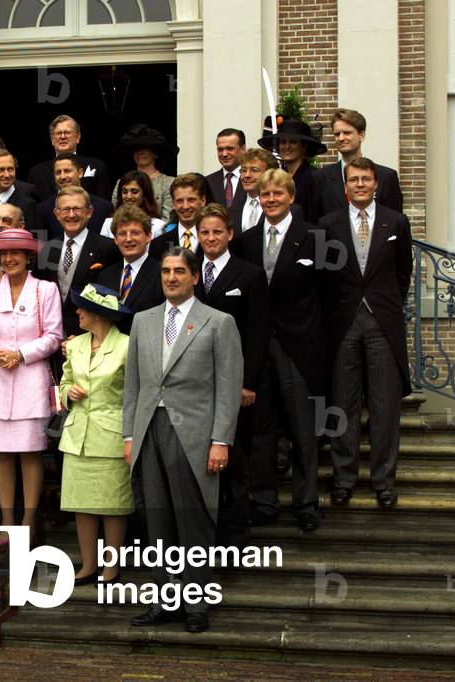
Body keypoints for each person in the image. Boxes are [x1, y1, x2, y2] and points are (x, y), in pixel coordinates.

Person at [125, 247, 242, 634]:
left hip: (193, 434)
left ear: (194, 276)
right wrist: (129, 434)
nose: (171, 278)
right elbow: (134, 385)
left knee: (193, 522)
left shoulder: (218, 322)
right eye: (166, 271)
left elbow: (228, 388)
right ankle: (163, 599)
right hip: (148, 431)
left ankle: (195, 605)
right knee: (157, 519)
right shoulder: (142, 320)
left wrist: (221, 440)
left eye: (179, 271)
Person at [234, 169, 325, 532]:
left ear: (291, 197)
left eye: (277, 194)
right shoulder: (247, 240)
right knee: (261, 427)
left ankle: (306, 502)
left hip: (299, 345)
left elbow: (329, 294)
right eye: (265, 195)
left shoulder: (314, 238)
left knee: (303, 429)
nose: (270, 200)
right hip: (257, 345)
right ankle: (264, 500)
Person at [320, 157, 412, 509]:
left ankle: (383, 480)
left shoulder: (396, 222)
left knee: (385, 405)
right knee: (343, 404)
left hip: (382, 323)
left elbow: (403, 273)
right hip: (342, 323)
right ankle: (343, 479)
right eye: (354, 179)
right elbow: (324, 278)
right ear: (345, 186)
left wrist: (384, 305)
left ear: (376, 184)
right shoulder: (327, 225)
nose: (360, 184)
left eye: (366, 179)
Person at [0, 228, 63, 544]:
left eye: (16, 253)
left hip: (30, 381)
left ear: (28, 257)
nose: (9, 258)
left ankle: (29, 518)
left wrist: (21, 354)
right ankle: (8, 519)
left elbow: (54, 336)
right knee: (2, 455)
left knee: (31, 454)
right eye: (4, 254)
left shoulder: (45, 290)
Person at [194, 204, 270, 543]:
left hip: (233, 381)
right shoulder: (187, 271)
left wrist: (248, 382)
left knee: (234, 459)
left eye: (216, 232)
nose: (210, 238)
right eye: (204, 232)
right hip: (194, 383)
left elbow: (258, 332)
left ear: (229, 234)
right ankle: (204, 532)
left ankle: (236, 534)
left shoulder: (250, 274)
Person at [59, 283, 131, 585]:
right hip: (77, 437)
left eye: (82, 308)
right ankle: (88, 565)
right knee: (82, 504)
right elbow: (62, 385)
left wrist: (132, 436)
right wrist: (68, 394)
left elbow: (134, 394)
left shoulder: (128, 345)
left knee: (113, 506)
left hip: (111, 435)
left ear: (98, 314)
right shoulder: (74, 345)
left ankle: (111, 567)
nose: (77, 312)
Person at [43, 186, 121, 339]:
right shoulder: (47, 248)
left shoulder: (108, 248)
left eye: (77, 209)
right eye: (65, 210)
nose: (71, 215)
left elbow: (110, 299)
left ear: (89, 212)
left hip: (89, 338)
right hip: (51, 338)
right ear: (56, 214)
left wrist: (85, 337)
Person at [316, 108, 403, 216]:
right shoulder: (320, 178)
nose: (341, 138)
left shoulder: (386, 177)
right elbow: (315, 226)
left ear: (361, 135)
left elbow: (396, 224)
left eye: (347, 133)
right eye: (337, 134)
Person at [97, 204, 164, 335]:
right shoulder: (105, 276)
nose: (128, 239)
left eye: (135, 233)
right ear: (115, 239)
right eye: (122, 234)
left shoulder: (162, 273)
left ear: (149, 236)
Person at [27, 115, 110, 202]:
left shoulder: (97, 166)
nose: (63, 137)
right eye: (58, 133)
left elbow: (104, 205)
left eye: (67, 132)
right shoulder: (36, 172)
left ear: (78, 137)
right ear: (52, 139)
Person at [258, 118, 326, 223]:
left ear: (303, 147)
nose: (287, 147)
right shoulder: (275, 178)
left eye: (293, 142)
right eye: (283, 142)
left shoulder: (315, 178)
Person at [39, 153, 114, 241]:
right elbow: (42, 250)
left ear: (80, 173)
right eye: (58, 172)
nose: (62, 176)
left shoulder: (104, 208)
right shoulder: (43, 209)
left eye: (67, 171)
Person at [113, 124, 178, 216]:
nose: (140, 152)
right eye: (136, 149)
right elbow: (117, 212)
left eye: (146, 148)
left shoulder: (168, 183)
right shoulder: (121, 182)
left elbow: (168, 217)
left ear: (156, 154)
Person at [0, 149, 39, 239]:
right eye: (0, 170)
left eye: (10, 169)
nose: (7, 175)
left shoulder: (28, 205)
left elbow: (37, 243)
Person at [149, 173, 209, 261]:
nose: (185, 206)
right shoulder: (158, 244)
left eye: (191, 200)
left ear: (203, 201)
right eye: (179, 201)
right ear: (173, 204)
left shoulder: (214, 240)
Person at [101, 170, 165, 239]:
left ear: (145, 194)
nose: (129, 196)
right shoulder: (108, 223)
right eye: (125, 192)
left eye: (134, 192)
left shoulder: (158, 226)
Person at [229, 148, 279, 233]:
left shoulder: (280, 206)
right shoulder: (232, 208)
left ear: (270, 174)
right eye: (244, 170)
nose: (247, 175)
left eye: (254, 170)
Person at [205, 128, 247, 209]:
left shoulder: (255, 179)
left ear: (243, 149)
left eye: (230, 149)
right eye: (220, 149)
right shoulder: (207, 182)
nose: (224, 154)